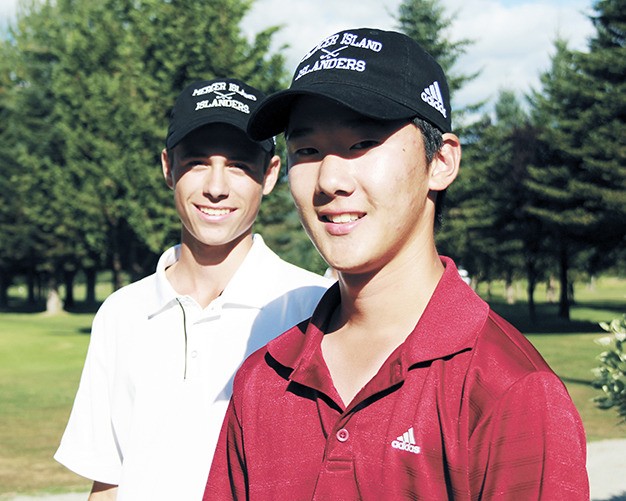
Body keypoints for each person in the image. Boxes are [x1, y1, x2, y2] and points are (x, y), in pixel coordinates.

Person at [205, 29, 589, 499]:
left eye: (362, 142)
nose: (329, 179)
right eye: (306, 150)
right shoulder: (263, 379)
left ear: (441, 162)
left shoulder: (509, 389)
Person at [54, 77, 332, 500]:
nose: (216, 187)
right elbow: (107, 482)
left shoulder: (316, 308)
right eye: (197, 162)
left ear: (271, 174)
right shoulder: (122, 312)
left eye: (239, 164)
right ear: (168, 168)